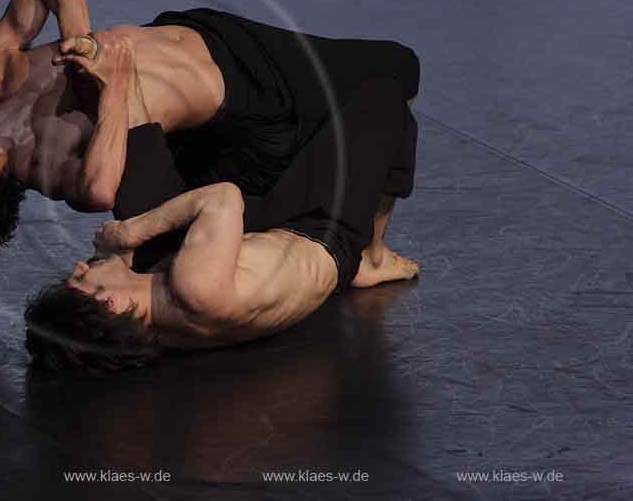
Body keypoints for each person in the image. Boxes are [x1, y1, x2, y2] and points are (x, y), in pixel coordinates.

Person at [0, 0, 419, 255]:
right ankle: (371, 255)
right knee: (396, 72)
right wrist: (111, 89)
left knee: (398, 71)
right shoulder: (45, 167)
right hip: (247, 97)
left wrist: (80, 37)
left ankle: (369, 252)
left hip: (200, 29)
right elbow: (103, 191)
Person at [24, 77, 420, 371]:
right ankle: (373, 255)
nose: (77, 268)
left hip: (253, 241)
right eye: (76, 281)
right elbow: (223, 197)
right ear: (109, 303)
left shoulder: (152, 327)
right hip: (322, 230)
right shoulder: (196, 289)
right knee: (384, 94)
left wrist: (121, 263)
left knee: (137, 166)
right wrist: (128, 234)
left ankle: (127, 92)